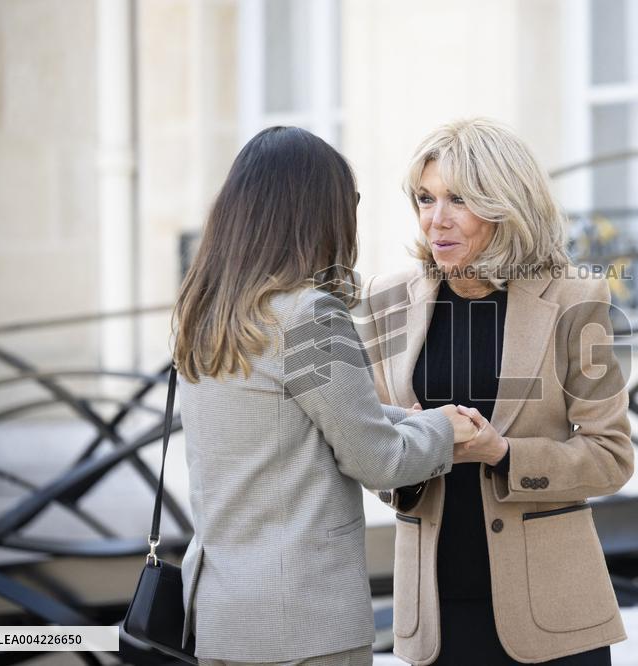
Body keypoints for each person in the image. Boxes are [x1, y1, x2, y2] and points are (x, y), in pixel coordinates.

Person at [171, 126, 478, 666]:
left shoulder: (206, 316)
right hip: (303, 624)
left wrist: (396, 419)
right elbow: (378, 460)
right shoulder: (307, 315)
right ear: (316, 212)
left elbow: (286, 419)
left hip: (221, 615)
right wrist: (443, 431)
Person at [357, 118, 635, 665]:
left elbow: (611, 458)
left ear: (506, 205)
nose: (436, 220)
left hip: (556, 614)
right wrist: (413, 449)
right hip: (435, 613)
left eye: (458, 199)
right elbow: (370, 452)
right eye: (424, 198)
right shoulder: (384, 299)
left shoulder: (577, 297)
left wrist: (503, 455)